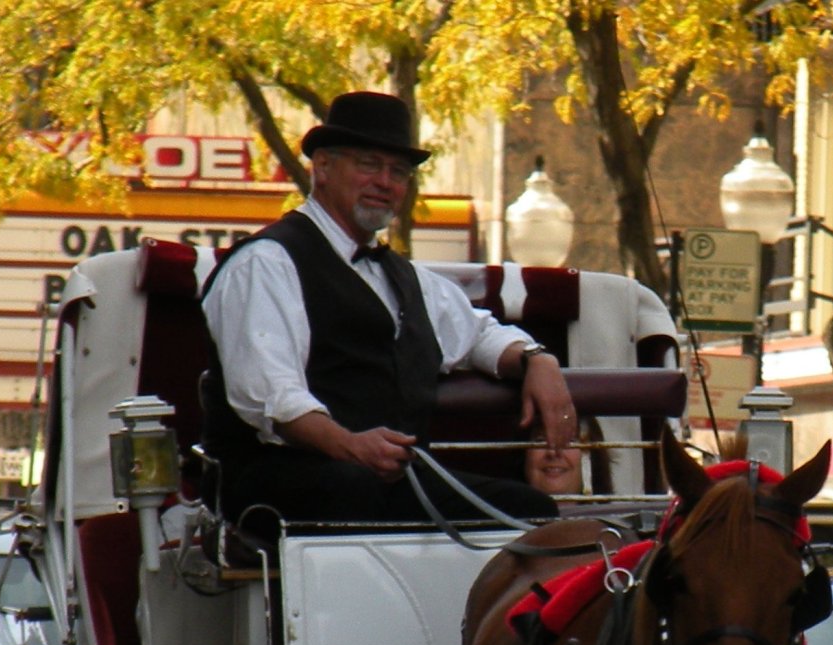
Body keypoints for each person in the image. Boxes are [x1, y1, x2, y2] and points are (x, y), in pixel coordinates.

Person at [202, 91, 577, 531]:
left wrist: (537, 360)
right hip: (283, 482)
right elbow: (272, 398)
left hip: (386, 481)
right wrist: (349, 445)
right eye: (368, 164)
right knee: (353, 492)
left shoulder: (404, 277)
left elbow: (477, 333)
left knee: (530, 512)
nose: (385, 182)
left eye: (398, 171)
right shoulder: (267, 262)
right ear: (321, 166)